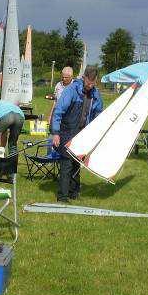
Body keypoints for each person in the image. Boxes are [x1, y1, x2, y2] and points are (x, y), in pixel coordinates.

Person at [51, 65, 103, 202]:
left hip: (82, 132)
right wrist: (56, 133)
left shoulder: (95, 94)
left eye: (92, 83)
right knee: (67, 163)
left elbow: (98, 114)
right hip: (67, 130)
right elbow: (58, 111)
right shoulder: (71, 90)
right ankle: (62, 196)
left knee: (77, 162)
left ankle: (74, 192)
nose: (89, 86)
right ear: (84, 77)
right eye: (88, 83)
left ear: (95, 81)